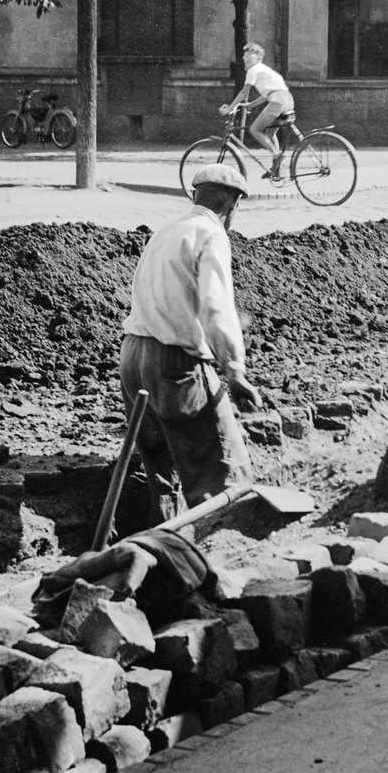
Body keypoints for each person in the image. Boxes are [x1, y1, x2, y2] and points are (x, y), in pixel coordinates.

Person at [119, 165, 262, 521]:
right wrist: (234, 371)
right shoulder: (211, 235)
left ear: (195, 196)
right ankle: (218, 553)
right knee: (222, 475)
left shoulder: (167, 230)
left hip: (133, 358)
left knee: (162, 474)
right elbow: (215, 308)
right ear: (232, 204)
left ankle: (163, 551)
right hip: (173, 364)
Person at [226, 43, 295, 181]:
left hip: (277, 102)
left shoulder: (253, 70)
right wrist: (251, 104)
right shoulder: (265, 70)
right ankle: (277, 170)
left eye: (250, 56)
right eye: (245, 56)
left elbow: (244, 91)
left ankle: (276, 155)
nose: (246, 58)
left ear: (258, 58)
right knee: (270, 133)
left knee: (254, 130)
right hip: (287, 100)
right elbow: (267, 94)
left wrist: (229, 108)